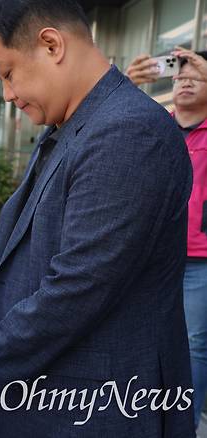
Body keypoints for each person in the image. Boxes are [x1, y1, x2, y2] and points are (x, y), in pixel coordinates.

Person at [0, 0, 195, 436]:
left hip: (101, 408)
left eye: (8, 73)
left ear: (51, 45)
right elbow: (28, 242)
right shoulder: (67, 125)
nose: (7, 94)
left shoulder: (128, 133)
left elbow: (80, 286)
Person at [126, 48, 207, 430]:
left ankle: (183, 425)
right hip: (153, 255)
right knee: (145, 339)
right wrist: (127, 86)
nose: (185, 81)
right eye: (179, 76)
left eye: (196, 76)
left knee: (194, 344)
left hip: (200, 259)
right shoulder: (157, 125)